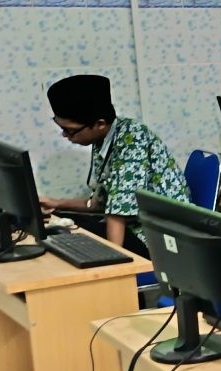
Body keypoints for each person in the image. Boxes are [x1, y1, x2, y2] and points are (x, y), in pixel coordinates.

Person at [38, 74, 188, 255]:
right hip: (133, 225)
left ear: (100, 124)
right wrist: (56, 203)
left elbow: (118, 212)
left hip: (157, 236)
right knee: (59, 225)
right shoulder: (105, 138)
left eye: (69, 130)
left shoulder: (132, 139)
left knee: (71, 241)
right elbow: (99, 204)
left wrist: (112, 260)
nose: (65, 135)